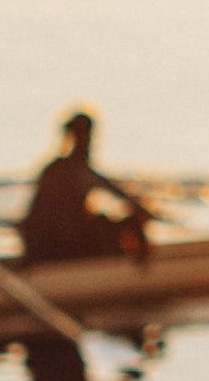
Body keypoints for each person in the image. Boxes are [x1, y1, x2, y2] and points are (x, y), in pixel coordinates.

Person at [20, 111, 153, 266]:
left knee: (104, 222)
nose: (91, 143)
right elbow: (117, 194)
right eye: (89, 137)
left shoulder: (54, 167)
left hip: (38, 247)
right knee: (131, 221)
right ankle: (143, 269)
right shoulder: (76, 170)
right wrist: (142, 212)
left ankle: (140, 264)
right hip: (58, 247)